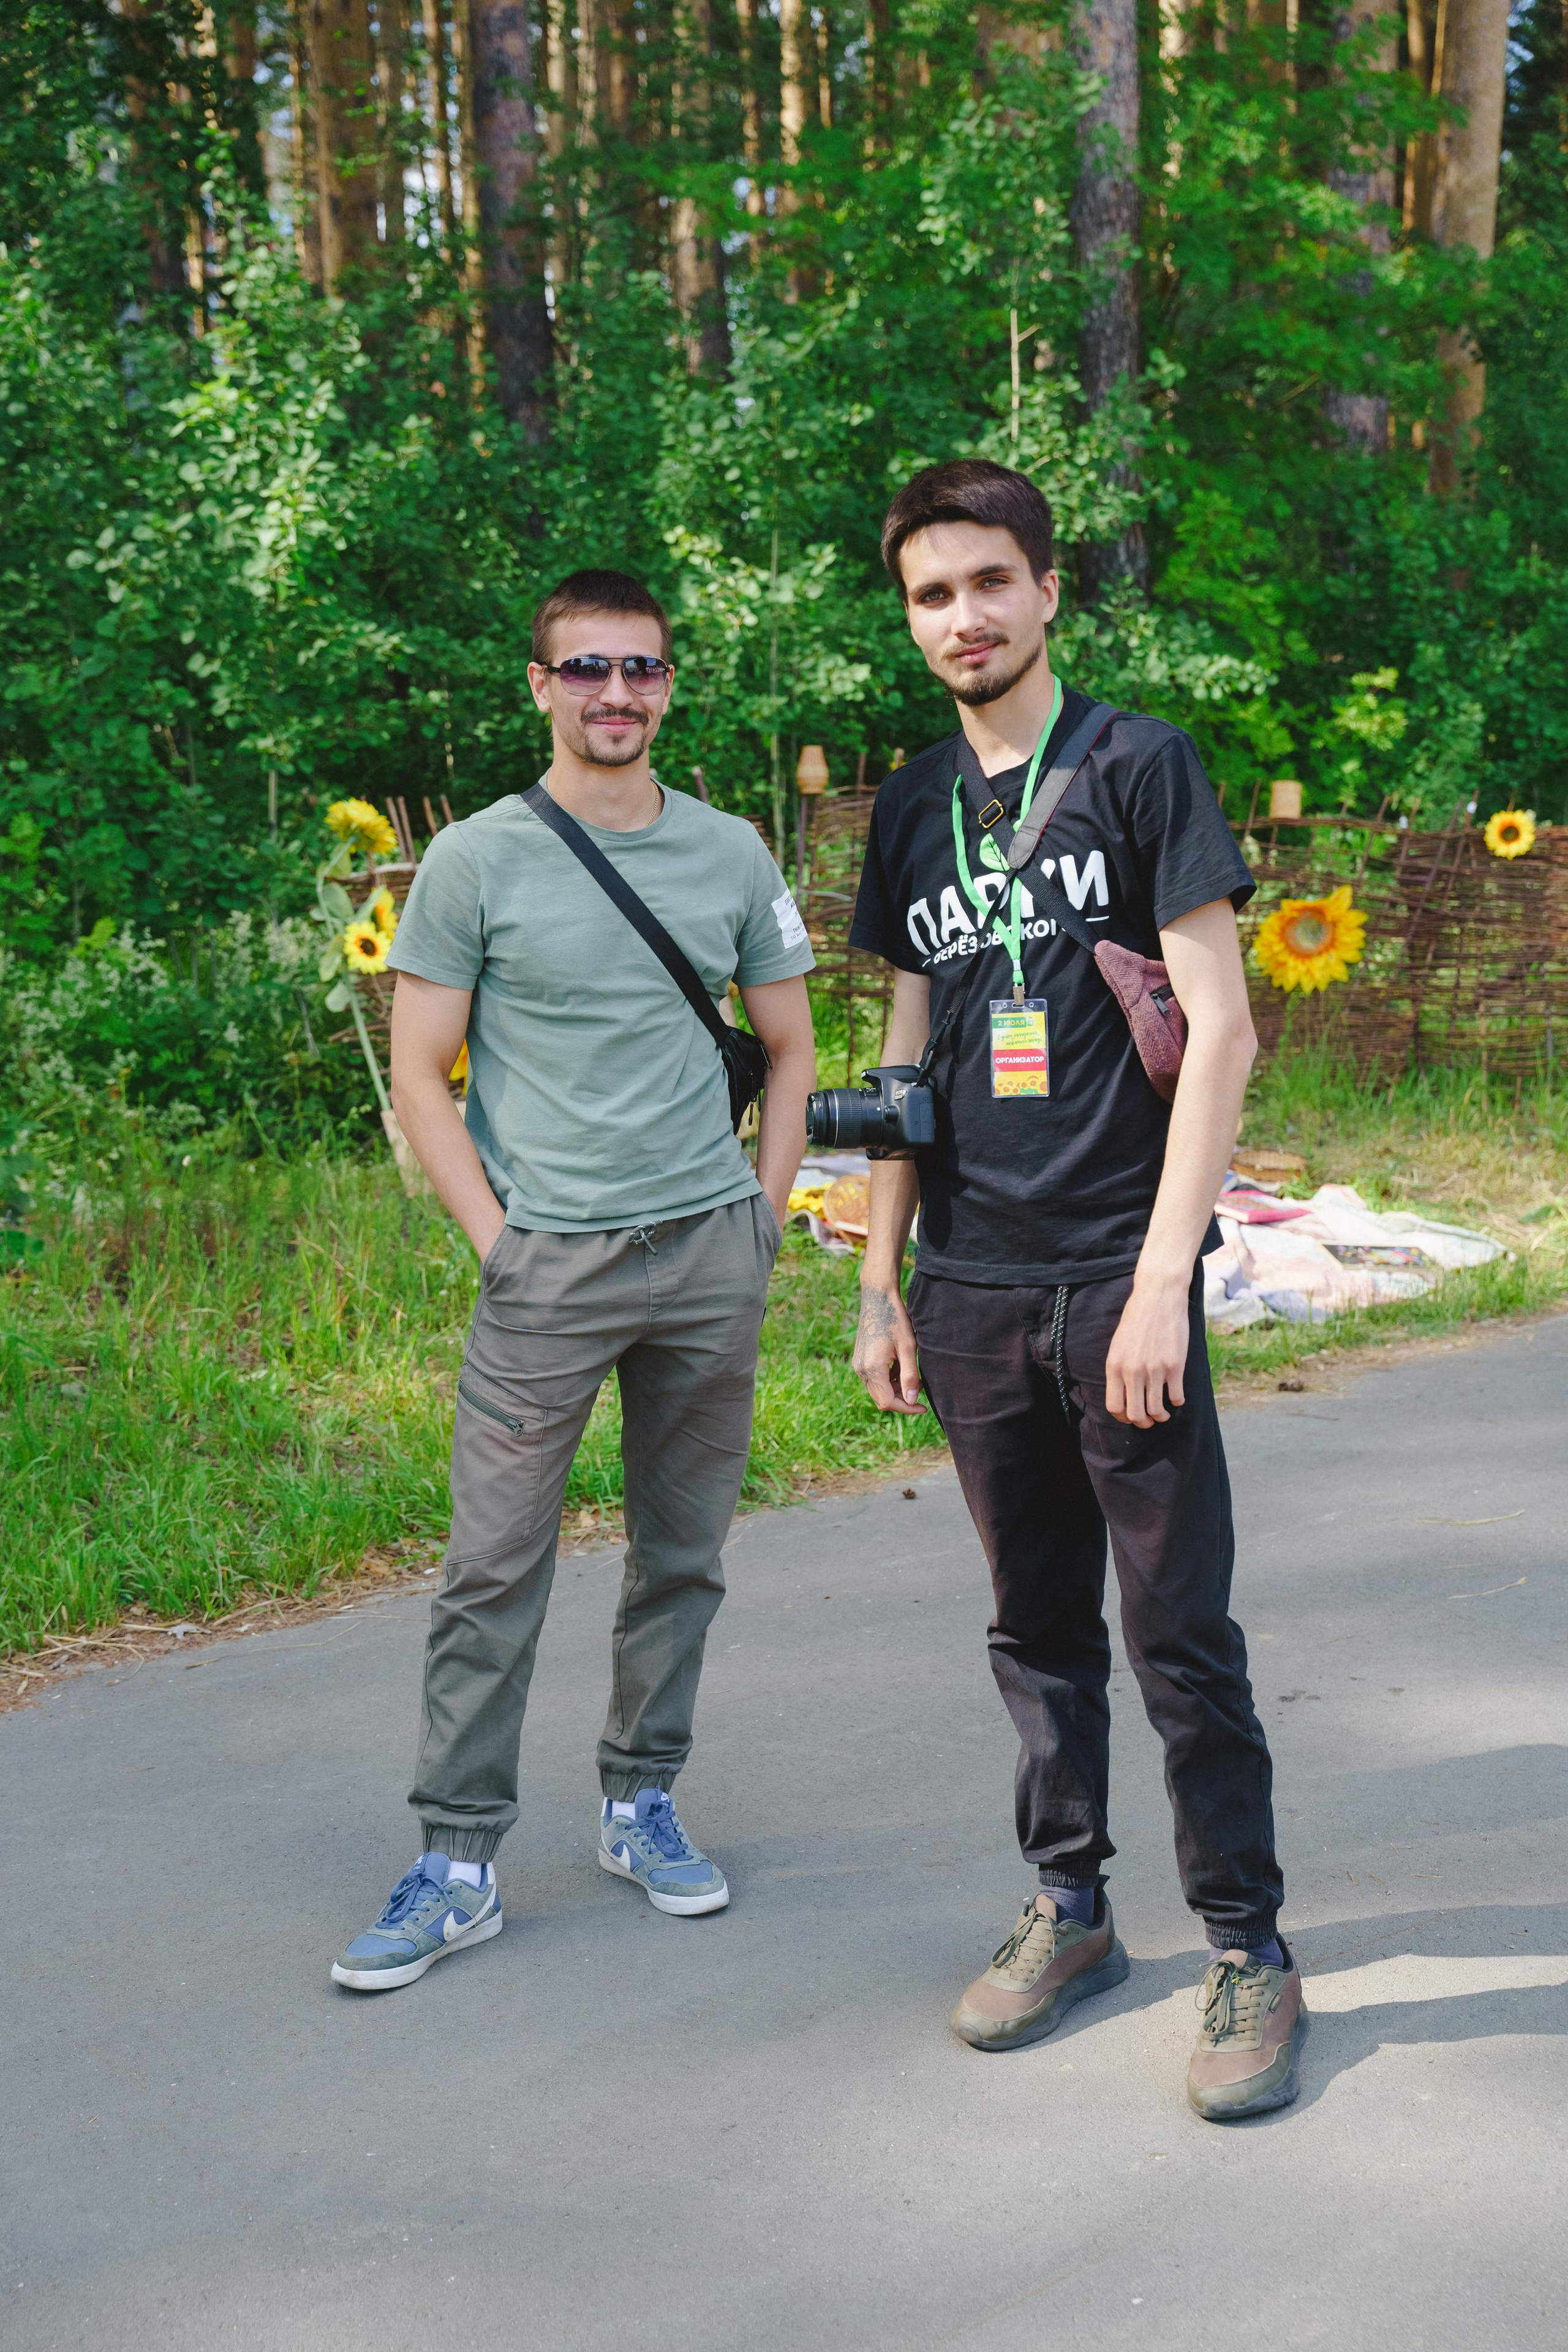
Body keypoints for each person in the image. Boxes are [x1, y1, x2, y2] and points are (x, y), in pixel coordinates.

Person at [847, 462, 1305, 2121]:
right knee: (1034, 1632)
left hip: (1119, 1270)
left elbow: (1225, 1029)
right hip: (969, 1285)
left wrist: (1166, 1278)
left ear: (1047, 590)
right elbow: (904, 1062)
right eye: (929, 594)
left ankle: (1248, 1945)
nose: (960, 616)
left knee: (1178, 1631)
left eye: (987, 582)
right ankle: (1074, 1908)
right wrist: (879, 1283)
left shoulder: (1136, 766)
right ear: (910, 618)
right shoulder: (908, 808)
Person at [331, 568, 817, 1992]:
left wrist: (763, 1219)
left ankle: (638, 1802)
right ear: (540, 685)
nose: (618, 694)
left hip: (706, 1258)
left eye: (643, 670)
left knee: (683, 1555)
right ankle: (459, 1859)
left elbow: (790, 1048)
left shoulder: (731, 853)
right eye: (588, 669)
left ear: (668, 686)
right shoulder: (478, 860)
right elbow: (422, 1075)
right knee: (492, 1570)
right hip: (550, 1268)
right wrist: (499, 1242)